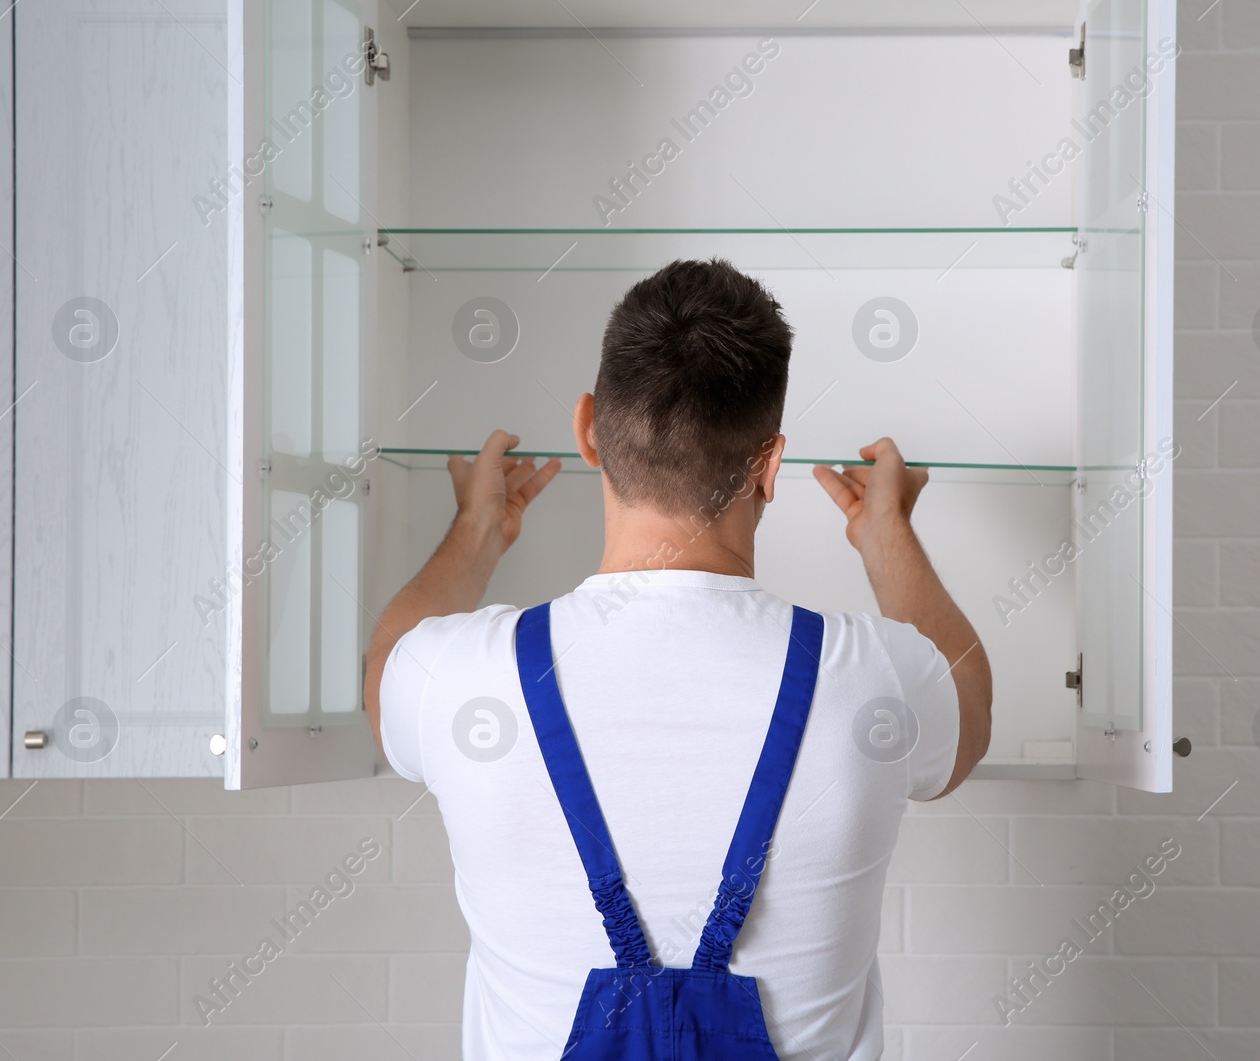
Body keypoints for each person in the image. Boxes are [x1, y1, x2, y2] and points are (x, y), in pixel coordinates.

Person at [365, 258, 992, 1060]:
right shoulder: (873, 678)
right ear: (771, 466)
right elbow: (970, 697)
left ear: (588, 429)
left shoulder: (461, 675)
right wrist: (888, 535)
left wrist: (477, 528)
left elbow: (384, 671)